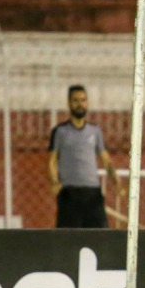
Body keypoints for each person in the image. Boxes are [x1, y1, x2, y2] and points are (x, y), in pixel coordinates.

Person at [48, 84, 122, 228]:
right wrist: (55, 182)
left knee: (99, 235)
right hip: (69, 192)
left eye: (83, 100)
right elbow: (52, 161)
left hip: (92, 192)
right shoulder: (60, 131)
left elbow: (106, 160)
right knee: (68, 236)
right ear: (69, 103)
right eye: (75, 100)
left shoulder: (95, 131)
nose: (79, 104)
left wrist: (116, 182)